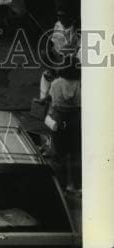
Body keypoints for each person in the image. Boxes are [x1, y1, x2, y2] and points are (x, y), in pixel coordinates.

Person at [48, 59, 81, 195]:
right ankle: (76, 185)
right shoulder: (79, 84)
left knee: (59, 154)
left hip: (58, 118)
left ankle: (61, 186)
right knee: (75, 154)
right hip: (74, 119)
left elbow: (51, 100)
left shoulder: (55, 83)